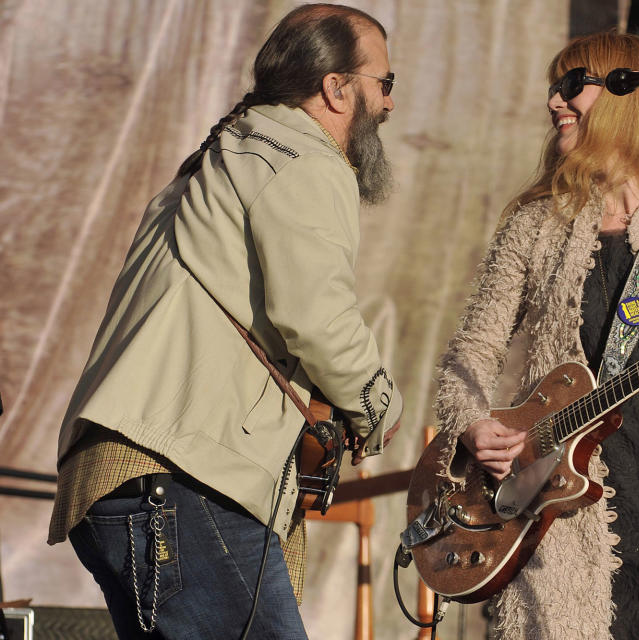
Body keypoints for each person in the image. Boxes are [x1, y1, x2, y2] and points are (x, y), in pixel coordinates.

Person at [47, 4, 402, 638]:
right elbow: (314, 314)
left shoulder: (217, 160)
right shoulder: (305, 159)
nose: (389, 105)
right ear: (336, 87)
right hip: (183, 480)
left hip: (121, 476)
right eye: (385, 83)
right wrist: (378, 405)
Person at [434, 32, 639, 640]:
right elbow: (470, 353)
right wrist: (474, 422)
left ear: (626, 95)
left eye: (570, 86)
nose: (555, 103)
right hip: (558, 506)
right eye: (552, 89)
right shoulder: (536, 222)